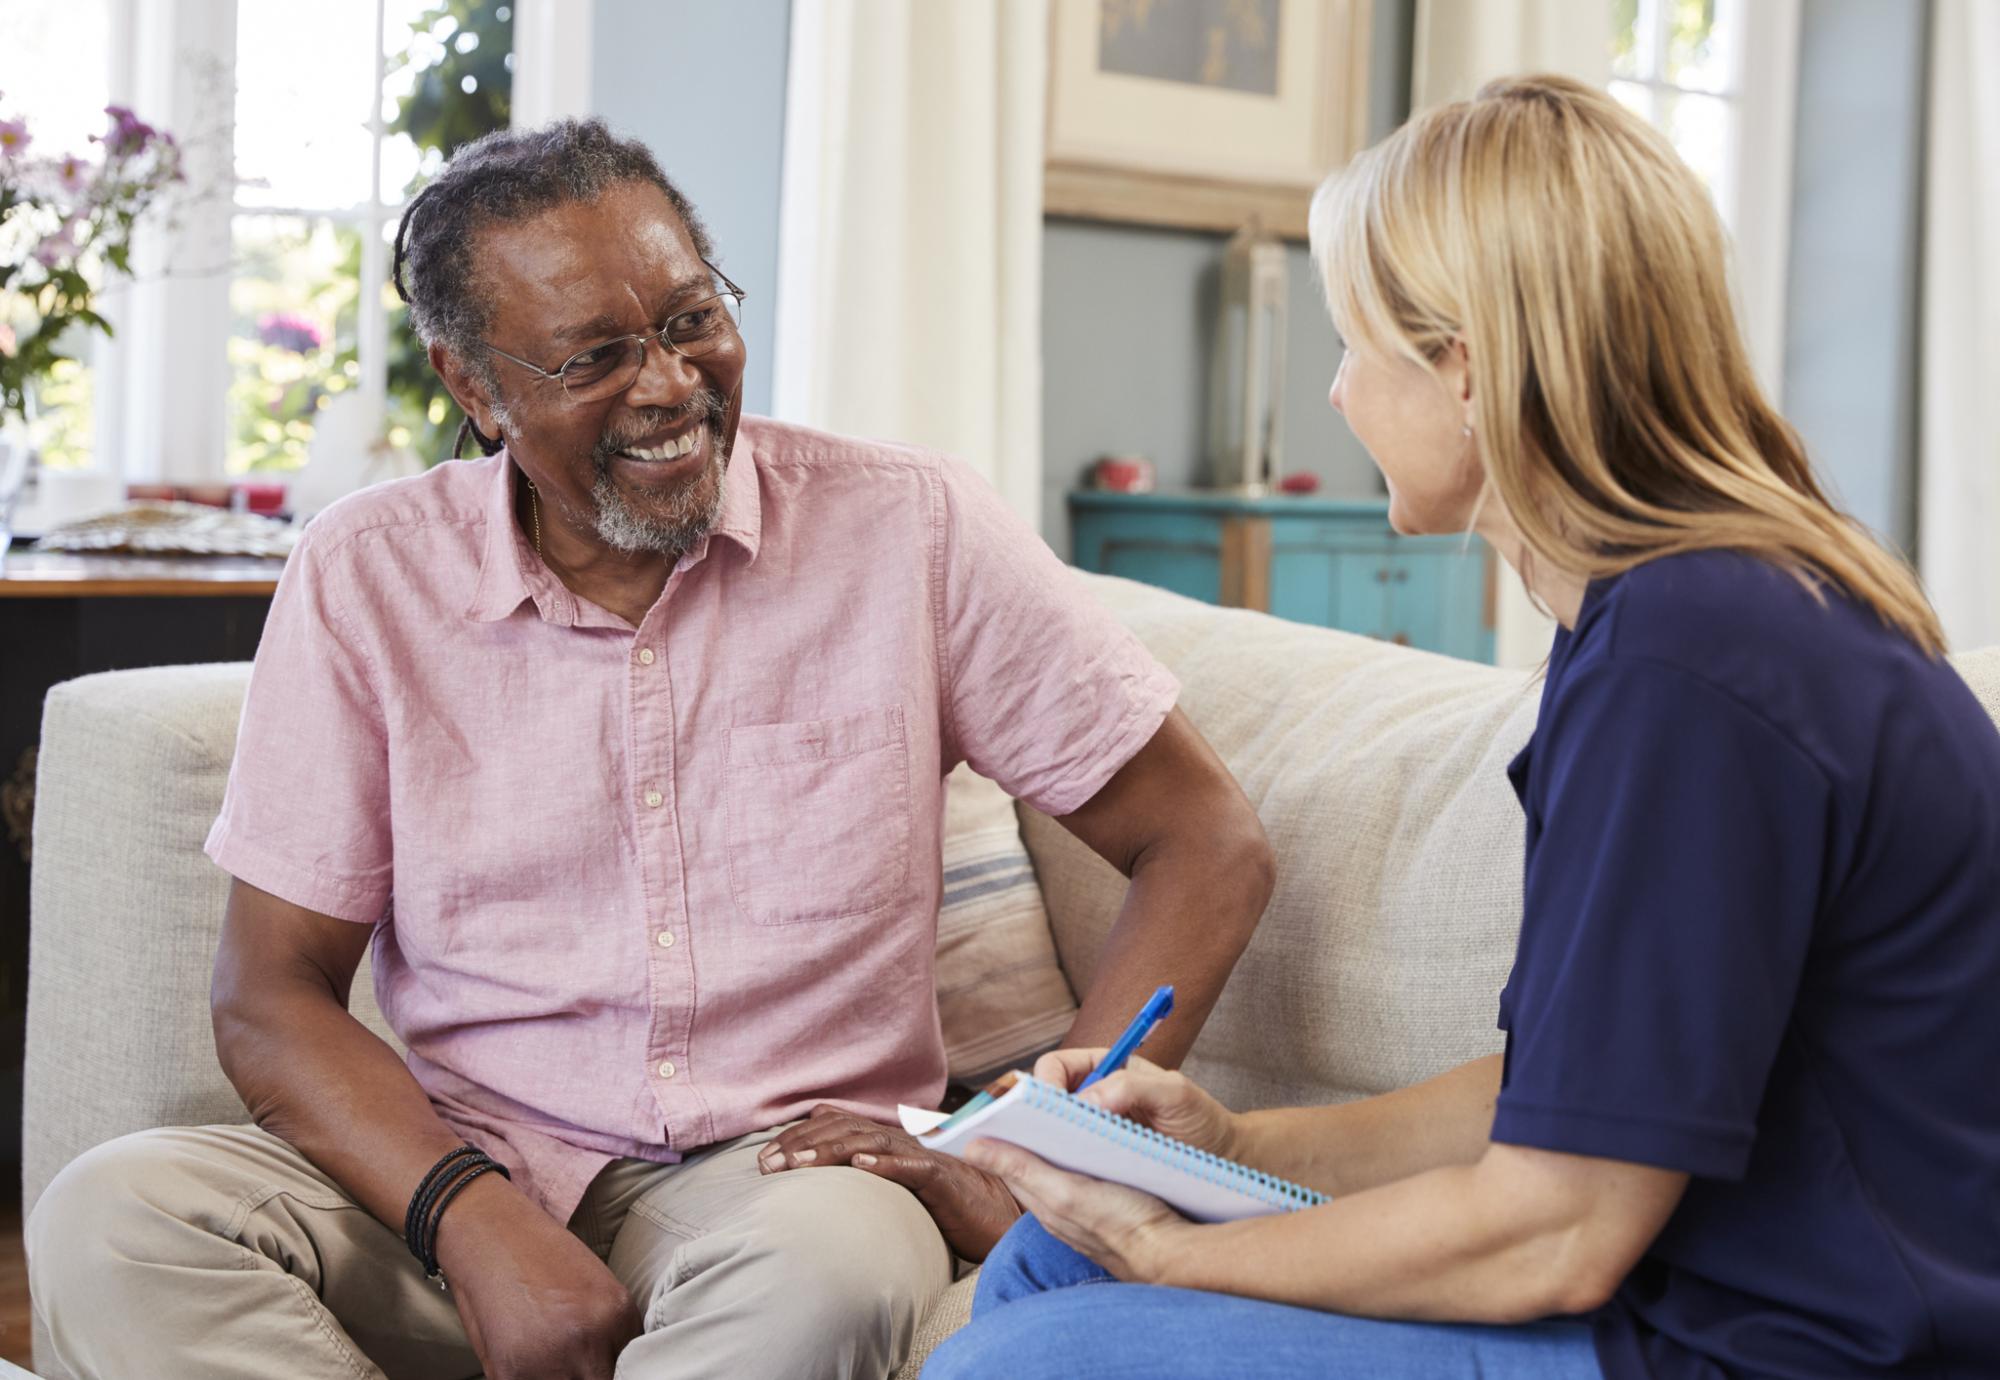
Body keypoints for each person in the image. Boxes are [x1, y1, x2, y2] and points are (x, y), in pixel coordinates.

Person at [24, 119, 1276, 1380]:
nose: (673, 385)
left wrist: (1027, 1137)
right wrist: (472, 1220)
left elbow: (1203, 841)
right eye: (594, 357)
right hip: (461, 1160)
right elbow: (271, 990)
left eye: (689, 321)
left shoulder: (912, 529)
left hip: (782, 1179)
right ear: (474, 387)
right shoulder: (366, 575)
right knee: (115, 1218)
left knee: (830, 1278)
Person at [924, 74, 2000, 1380]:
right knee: (1052, 1258)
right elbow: (1572, 1095)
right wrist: (1235, 1147)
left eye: (1357, 342)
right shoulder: (1679, 617)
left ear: (1470, 368)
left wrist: (1180, 1253)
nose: (1337, 394)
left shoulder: (1694, 664)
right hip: (1689, 1293)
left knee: (1021, 1363)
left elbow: (1560, 1230)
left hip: (1777, 1347)